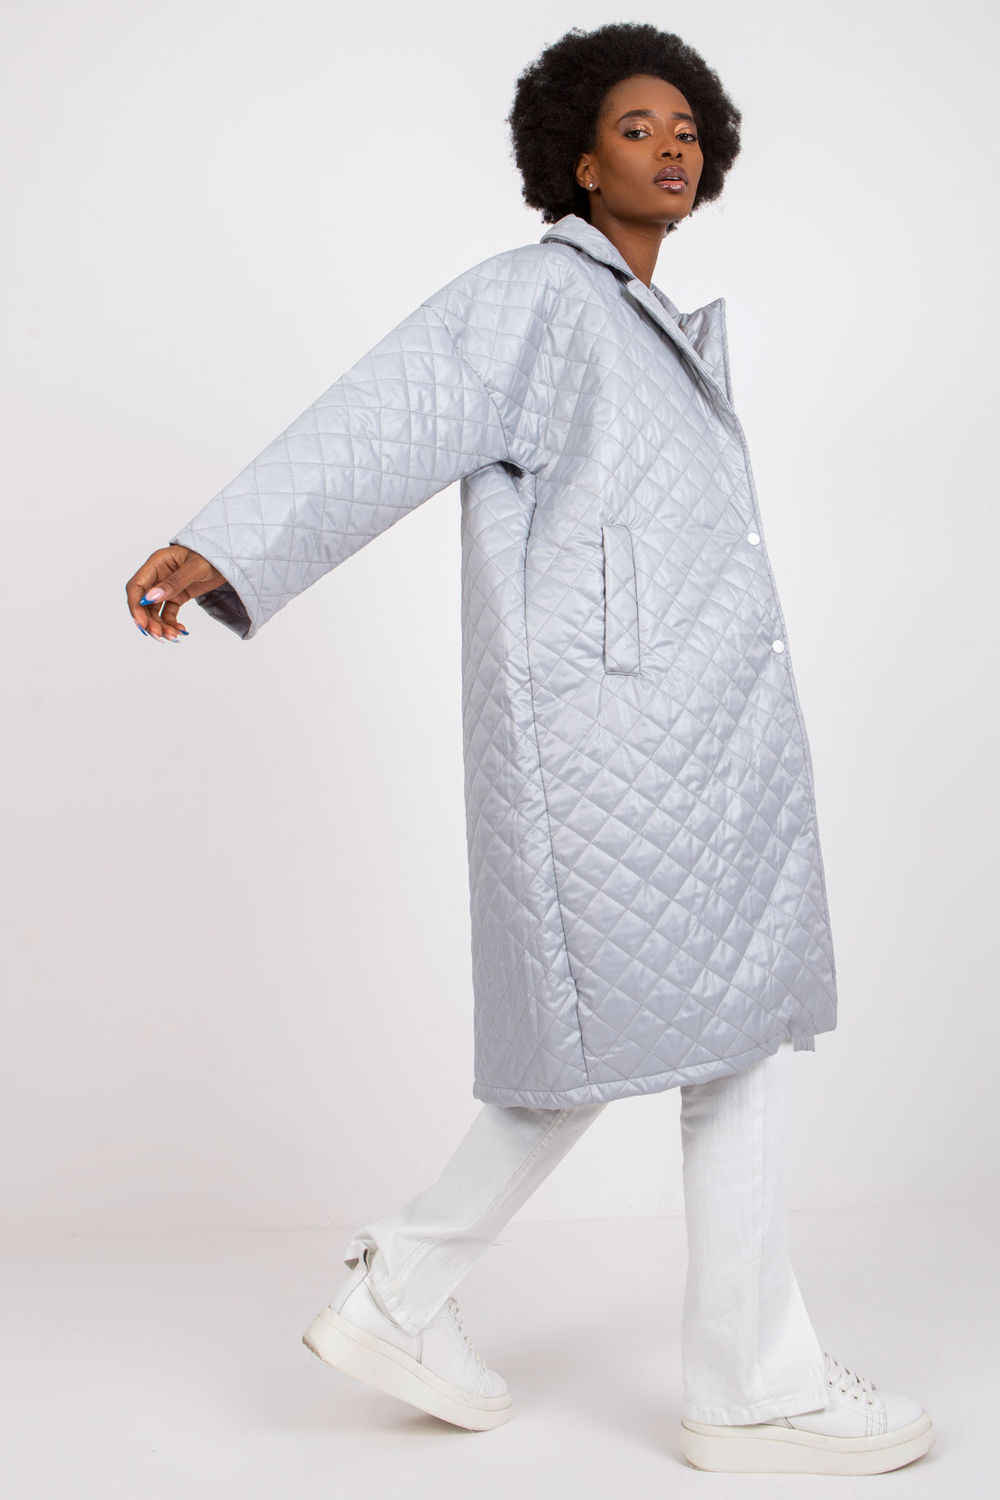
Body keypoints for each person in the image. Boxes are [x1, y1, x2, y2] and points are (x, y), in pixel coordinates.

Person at [125, 22, 934, 1476]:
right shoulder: (541, 298)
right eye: (636, 127)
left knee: (682, 1035)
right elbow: (387, 412)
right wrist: (227, 542)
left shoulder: (648, 325)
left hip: (691, 741)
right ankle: (743, 1387)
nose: (671, 145)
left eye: (687, 127)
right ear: (577, 159)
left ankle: (411, 1292)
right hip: (610, 739)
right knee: (678, 1034)